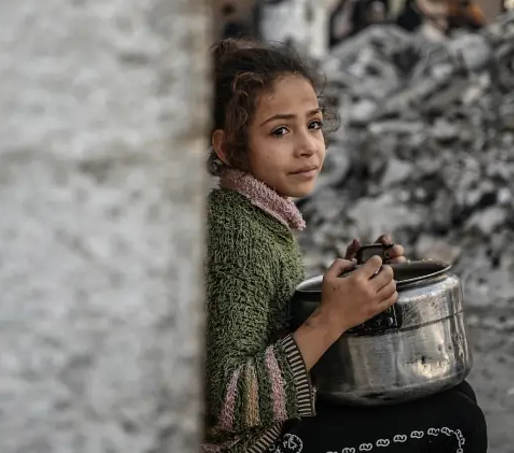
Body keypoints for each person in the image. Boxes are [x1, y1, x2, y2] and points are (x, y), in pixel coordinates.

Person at [204, 38, 488, 453]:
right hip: (252, 445)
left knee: (456, 396)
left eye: (314, 124)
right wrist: (332, 319)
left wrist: (351, 287)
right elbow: (227, 401)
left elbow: (269, 326)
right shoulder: (238, 235)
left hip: (275, 425)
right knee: (455, 425)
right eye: (280, 130)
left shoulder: (255, 216)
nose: (307, 146)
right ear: (228, 146)